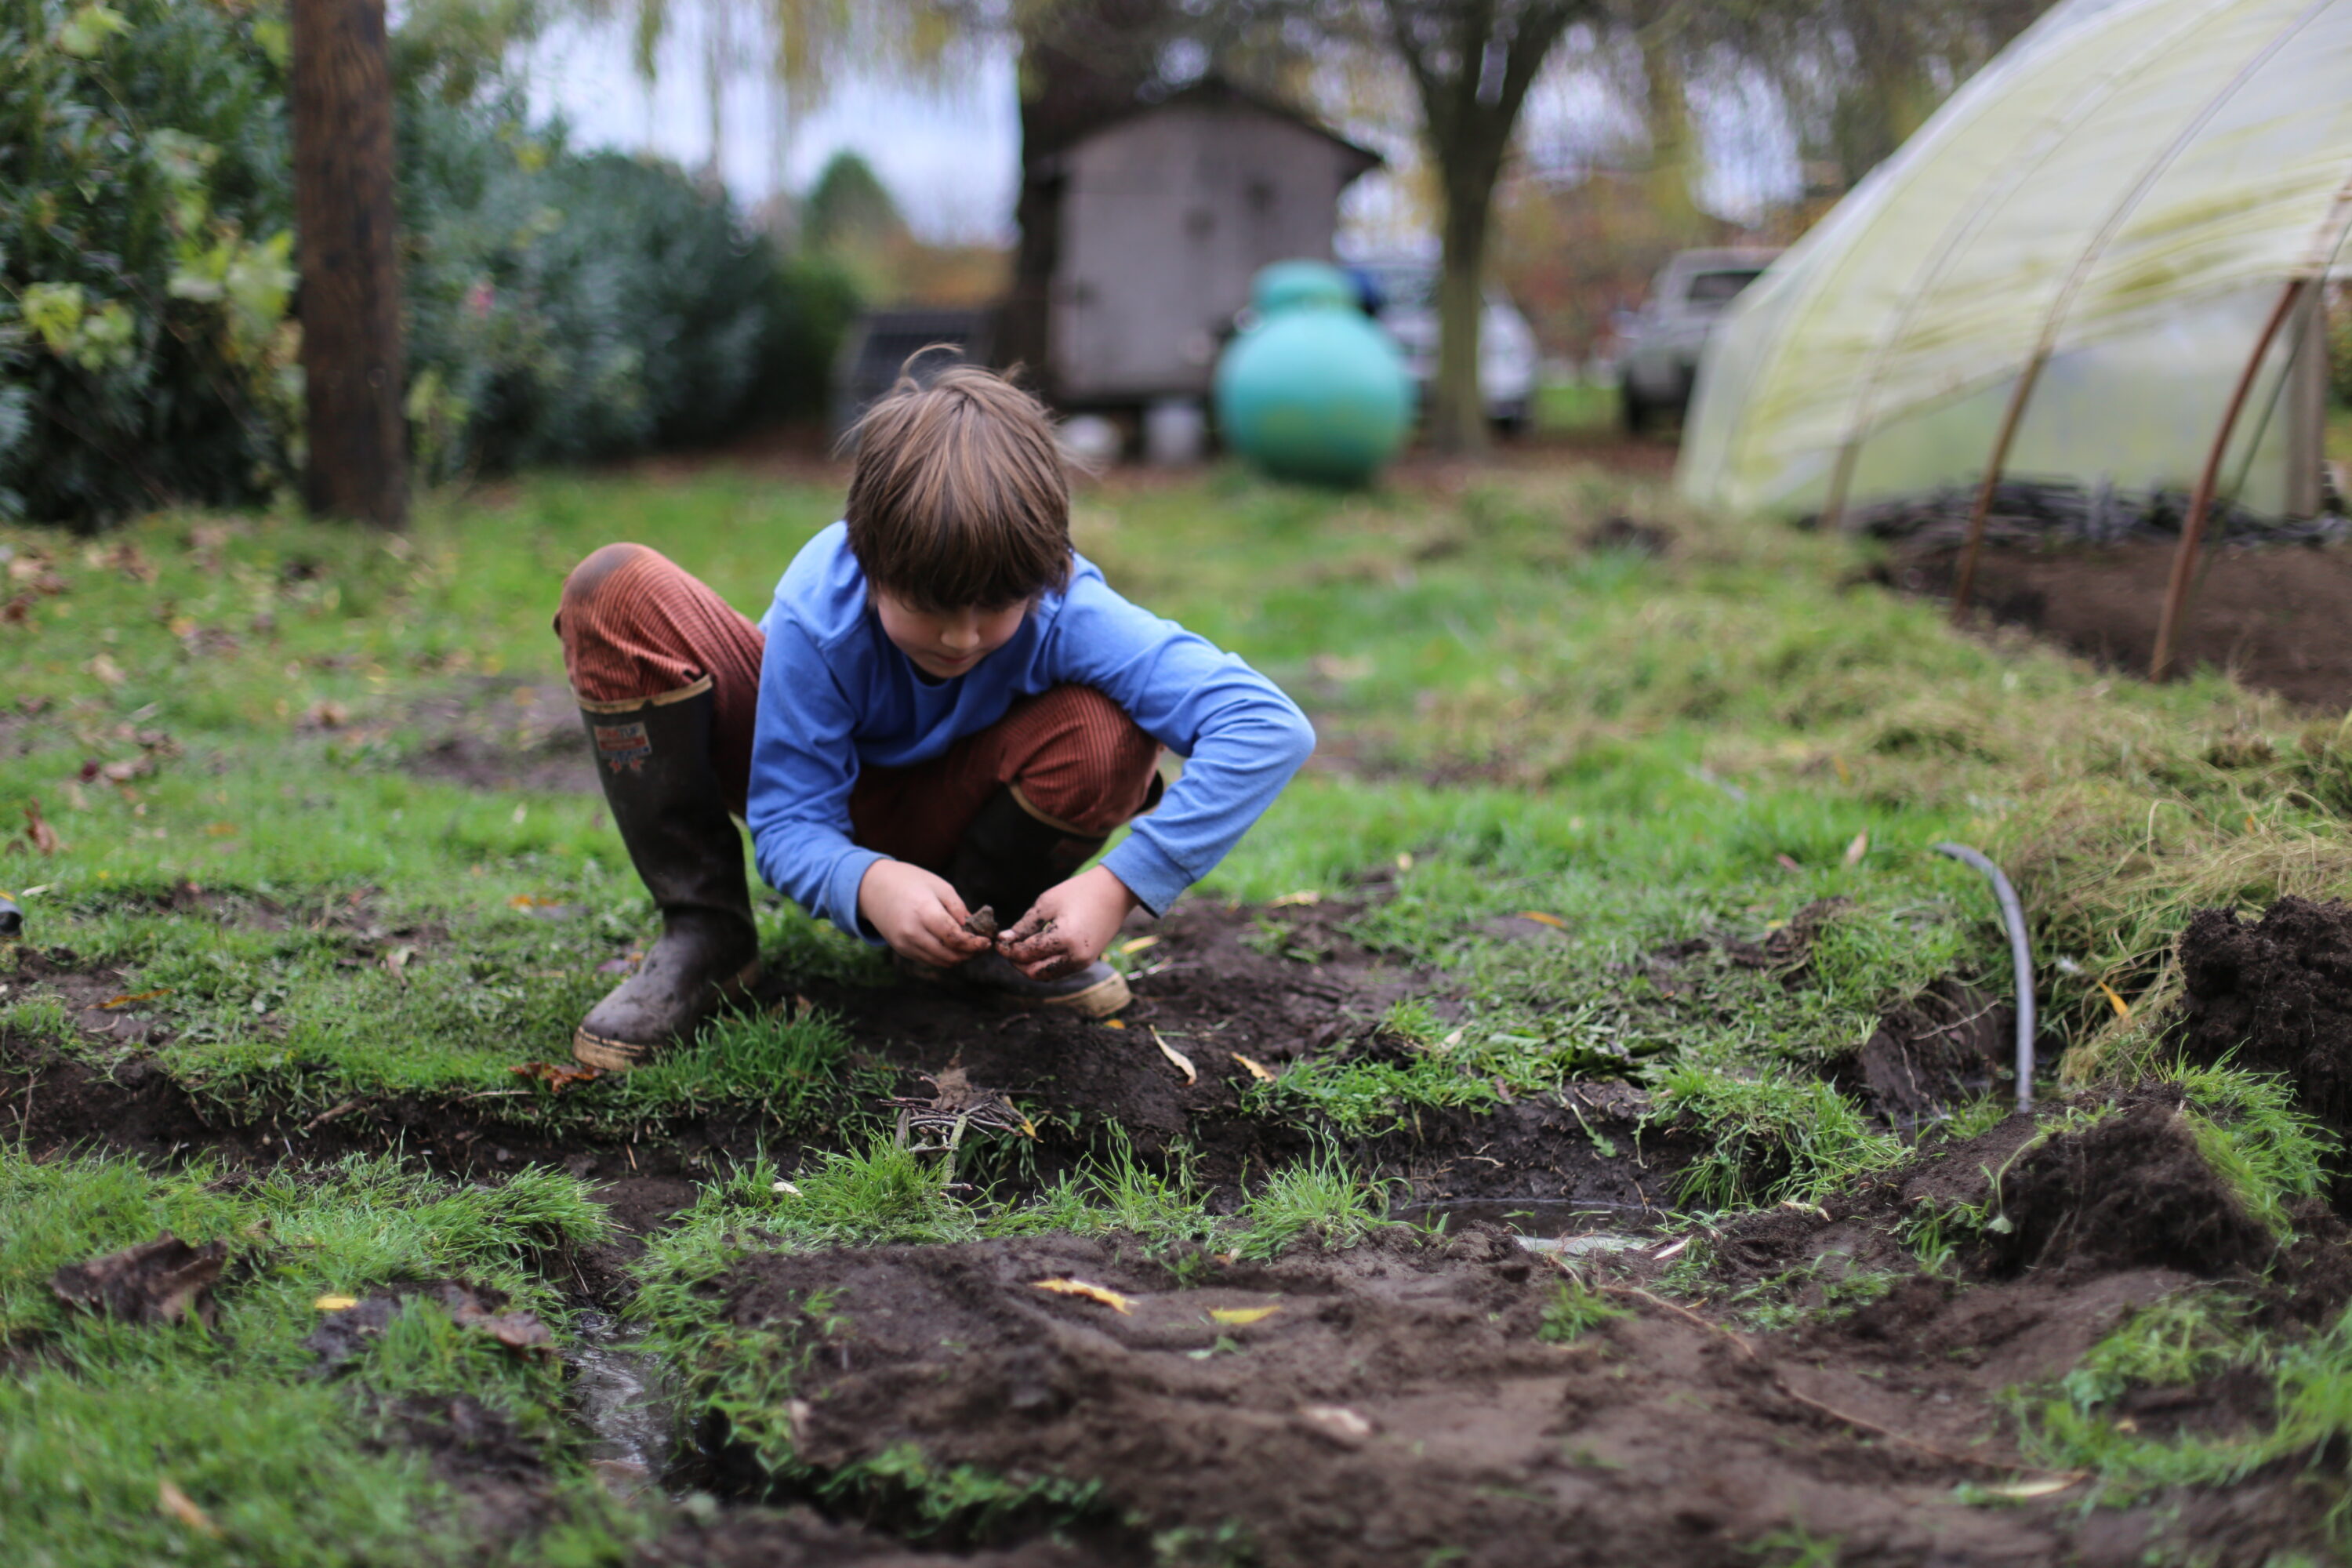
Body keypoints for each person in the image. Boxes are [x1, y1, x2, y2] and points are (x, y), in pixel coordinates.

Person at [553, 359, 1317, 1071]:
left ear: (1044, 571)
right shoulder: (823, 608)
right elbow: (787, 822)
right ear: (869, 558)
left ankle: (982, 936)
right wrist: (870, 881)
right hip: (826, 797)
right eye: (927, 607)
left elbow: (1265, 724)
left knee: (1109, 735)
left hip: (961, 809)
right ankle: (707, 936)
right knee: (616, 587)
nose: (962, 637)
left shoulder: (1065, 605)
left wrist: (1120, 885)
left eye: (996, 607)